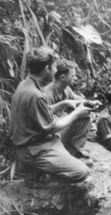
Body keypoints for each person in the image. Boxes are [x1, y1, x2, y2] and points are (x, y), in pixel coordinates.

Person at [10, 46, 91, 184]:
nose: (55, 71)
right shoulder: (36, 95)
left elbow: (39, 112)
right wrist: (76, 113)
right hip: (34, 149)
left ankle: (64, 159)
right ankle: (42, 175)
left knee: (83, 118)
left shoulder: (27, 84)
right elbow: (51, 128)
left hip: (42, 140)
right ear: (46, 69)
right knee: (81, 172)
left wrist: (65, 104)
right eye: (54, 68)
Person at [44, 58, 101, 157]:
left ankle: (73, 150)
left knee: (86, 115)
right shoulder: (47, 92)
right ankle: (65, 153)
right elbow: (44, 113)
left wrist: (90, 103)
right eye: (73, 76)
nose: (75, 78)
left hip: (61, 129)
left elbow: (77, 99)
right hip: (51, 134)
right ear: (63, 77)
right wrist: (64, 104)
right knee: (80, 115)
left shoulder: (66, 89)